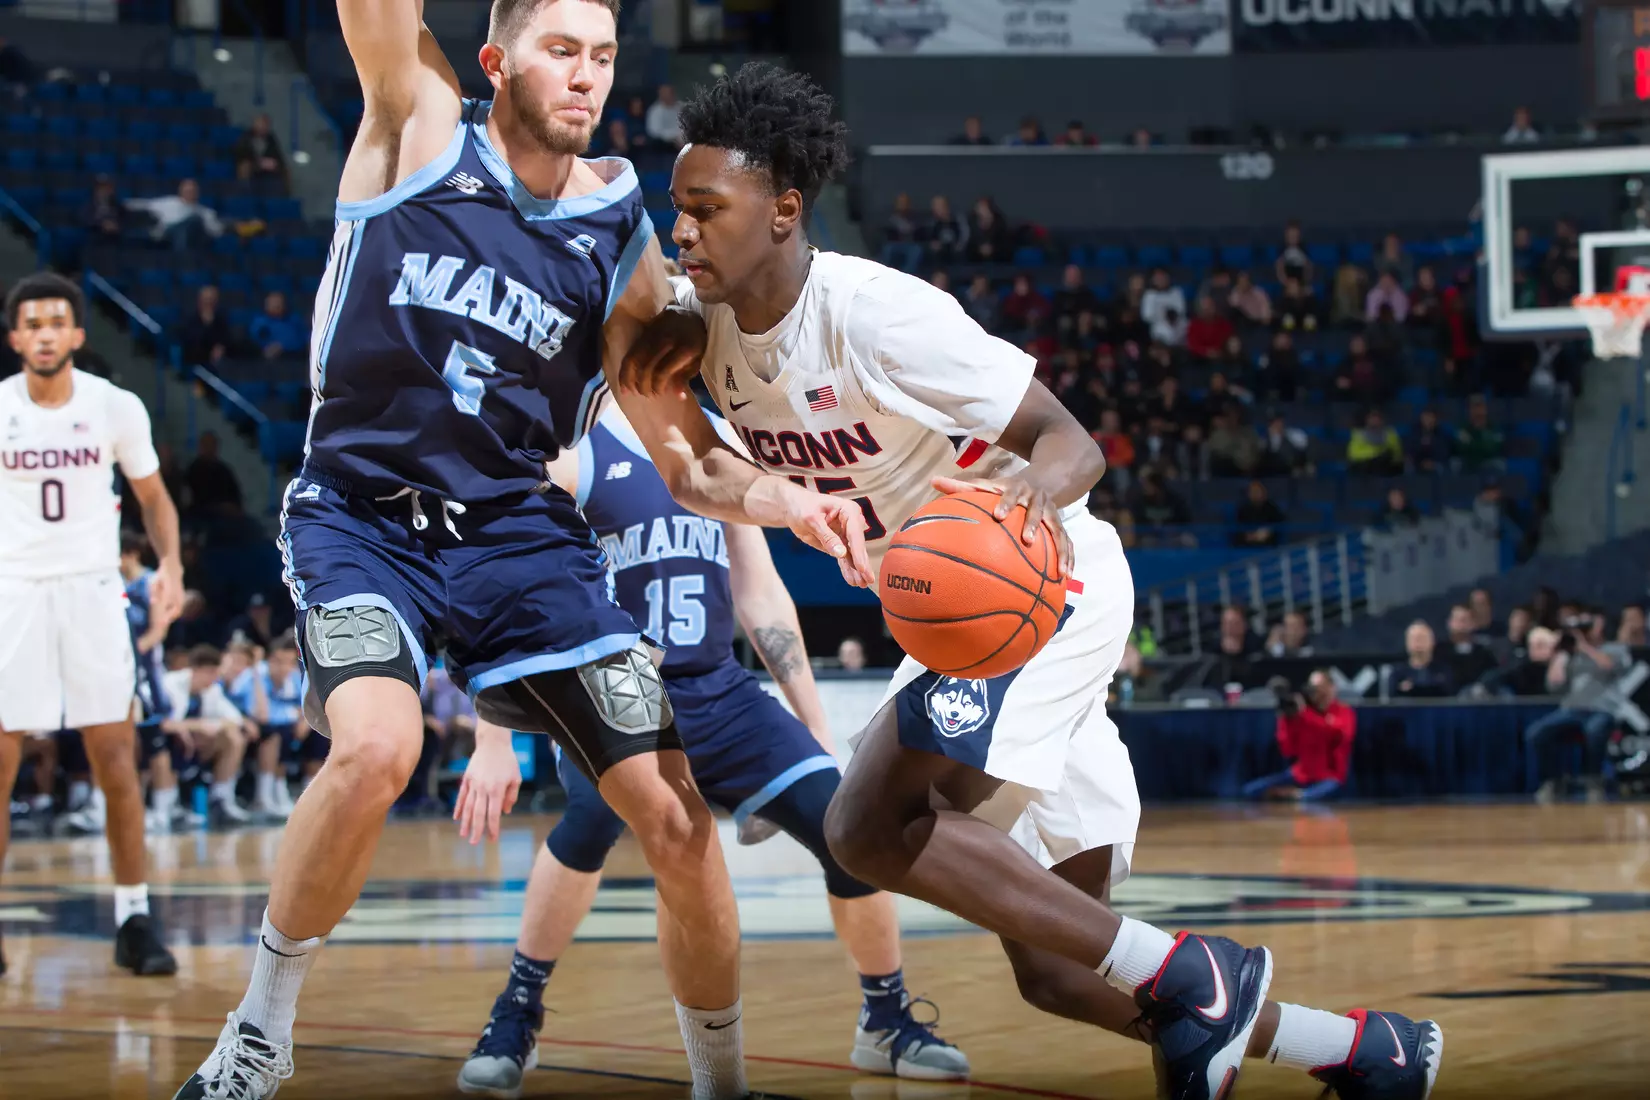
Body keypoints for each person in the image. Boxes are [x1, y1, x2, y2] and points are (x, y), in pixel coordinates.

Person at [625, 62, 1442, 1100]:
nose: (684, 230)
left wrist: (1014, 512)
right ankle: (1364, 1048)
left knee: (866, 826)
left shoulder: (879, 314)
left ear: (783, 211)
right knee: (1056, 966)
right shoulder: (715, 348)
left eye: (707, 208)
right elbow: (700, 461)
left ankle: (1204, 973)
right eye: (677, 209)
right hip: (962, 626)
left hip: (1044, 590)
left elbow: (1072, 442)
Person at [172, 5, 868, 1097]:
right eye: (560, 50)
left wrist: (787, 496)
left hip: (517, 538)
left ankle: (721, 1082)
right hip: (363, 519)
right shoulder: (419, 122)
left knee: (680, 818)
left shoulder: (614, 231)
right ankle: (261, 1025)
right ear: (497, 60)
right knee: (375, 752)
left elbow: (685, 458)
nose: (586, 76)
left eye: (601, 56)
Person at [458, 404, 968, 1095]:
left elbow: (759, 593)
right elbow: (510, 576)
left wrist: (814, 724)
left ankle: (884, 1017)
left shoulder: (714, 435)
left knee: (849, 825)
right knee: (590, 819)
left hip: (719, 689)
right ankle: (517, 1009)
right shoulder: (574, 437)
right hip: (611, 693)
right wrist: (494, 737)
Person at [0, 272, 183, 978]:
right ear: (16, 338)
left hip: (93, 590)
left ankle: (134, 918)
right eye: (32, 323)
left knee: (115, 758)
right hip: (13, 590)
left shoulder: (114, 406)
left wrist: (170, 566)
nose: (44, 333)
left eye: (57, 321)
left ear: (77, 334)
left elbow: (153, 497)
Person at [160, 644, 254, 826]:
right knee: (164, 745)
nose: (213, 678)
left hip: (196, 745)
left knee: (233, 737)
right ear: (194, 669)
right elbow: (164, 724)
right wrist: (197, 726)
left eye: (215, 673)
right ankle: (166, 807)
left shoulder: (212, 690)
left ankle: (221, 799)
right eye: (209, 672)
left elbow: (234, 719)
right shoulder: (170, 684)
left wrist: (205, 727)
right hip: (166, 742)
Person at [1242, 671, 1354, 801]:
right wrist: (1287, 720)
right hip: (1301, 774)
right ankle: (1292, 795)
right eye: (1312, 689)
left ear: (1331, 688)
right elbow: (1288, 750)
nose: (1316, 693)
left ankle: (1294, 795)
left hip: (1330, 777)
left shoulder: (1343, 712)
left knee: (1309, 797)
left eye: (1319, 688)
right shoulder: (1300, 714)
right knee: (1251, 790)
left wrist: (1304, 714)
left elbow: (1336, 735)